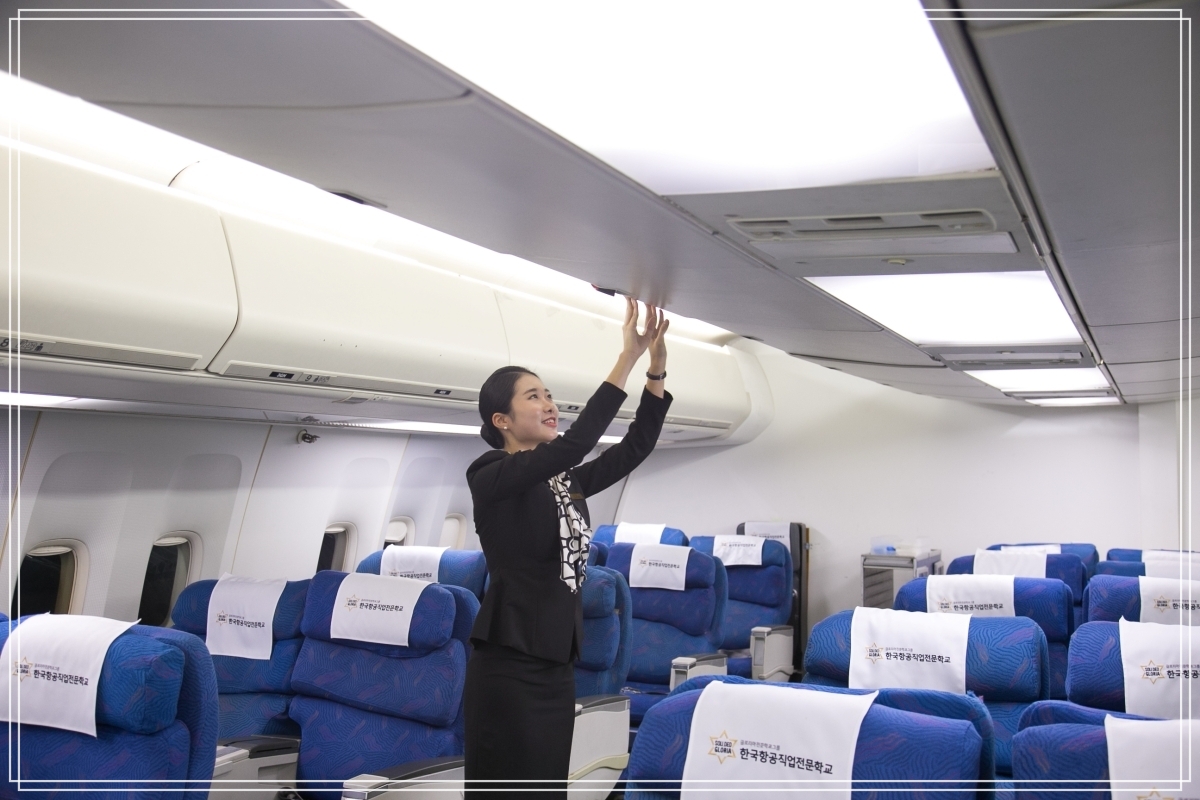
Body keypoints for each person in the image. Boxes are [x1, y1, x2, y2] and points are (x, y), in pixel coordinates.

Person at [463, 297, 672, 797]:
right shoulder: (489, 475)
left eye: (550, 395)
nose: (549, 404)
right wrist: (626, 357)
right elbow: (575, 444)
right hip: (510, 664)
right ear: (502, 420)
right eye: (534, 396)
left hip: (557, 663)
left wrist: (655, 371)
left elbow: (635, 448)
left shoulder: (564, 482)